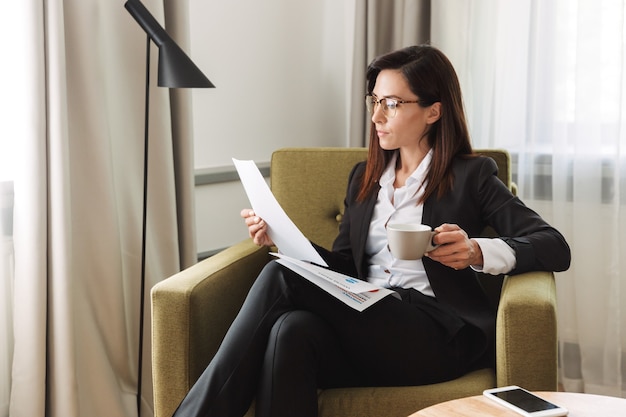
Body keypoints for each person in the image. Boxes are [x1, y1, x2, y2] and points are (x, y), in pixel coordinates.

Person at [172, 44, 571, 417]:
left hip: (435, 334)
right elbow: (345, 266)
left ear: (434, 111)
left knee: (280, 274)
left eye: (392, 104)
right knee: (290, 330)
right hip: (369, 321)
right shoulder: (365, 178)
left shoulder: (472, 176)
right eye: (375, 102)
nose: (377, 116)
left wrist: (477, 252)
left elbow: (554, 245)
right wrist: (284, 239)